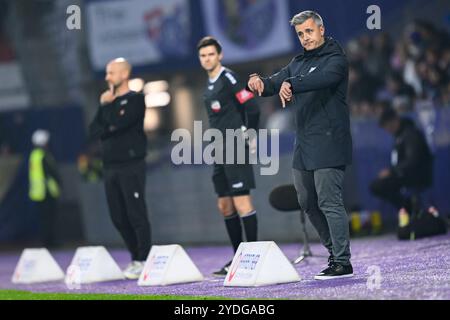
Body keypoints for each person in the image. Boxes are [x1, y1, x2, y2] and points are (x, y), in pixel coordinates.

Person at [248, 11, 353, 280]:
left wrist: (291, 83)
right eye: (300, 34)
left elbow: (323, 79)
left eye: (308, 32)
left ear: (321, 29)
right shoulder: (297, 62)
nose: (305, 37)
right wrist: (260, 81)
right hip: (304, 144)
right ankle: (333, 253)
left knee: (329, 201)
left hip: (329, 140)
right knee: (307, 201)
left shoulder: (336, 59)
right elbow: (274, 82)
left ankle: (342, 262)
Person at [197, 36, 260, 276]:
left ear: (219, 55)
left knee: (241, 200)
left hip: (234, 146)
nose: (207, 59)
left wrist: (249, 134)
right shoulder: (209, 83)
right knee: (224, 204)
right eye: (203, 56)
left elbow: (251, 106)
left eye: (211, 54)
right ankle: (237, 257)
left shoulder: (229, 78)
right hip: (218, 149)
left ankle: (252, 257)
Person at [89, 58, 151, 280]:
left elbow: (120, 124)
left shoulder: (136, 99)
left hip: (131, 164)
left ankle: (144, 258)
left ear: (124, 74)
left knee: (136, 213)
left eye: (111, 73)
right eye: (107, 73)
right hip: (110, 167)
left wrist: (108, 114)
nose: (107, 77)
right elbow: (94, 131)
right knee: (118, 216)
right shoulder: (106, 102)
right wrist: (107, 113)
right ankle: (135, 258)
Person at [370, 107, 433, 216]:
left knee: (379, 186)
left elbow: (413, 161)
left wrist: (392, 171)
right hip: (404, 174)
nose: (387, 129)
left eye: (387, 125)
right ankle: (408, 208)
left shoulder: (410, 134)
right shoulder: (400, 135)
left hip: (416, 175)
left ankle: (408, 208)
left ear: (394, 120)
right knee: (378, 185)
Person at [29, 129, 61, 248]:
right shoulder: (43, 155)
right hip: (46, 192)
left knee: (44, 219)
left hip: (37, 193)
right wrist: (59, 183)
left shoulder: (33, 155)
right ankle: (49, 242)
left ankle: (47, 241)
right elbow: (51, 173)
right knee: (48, 219)